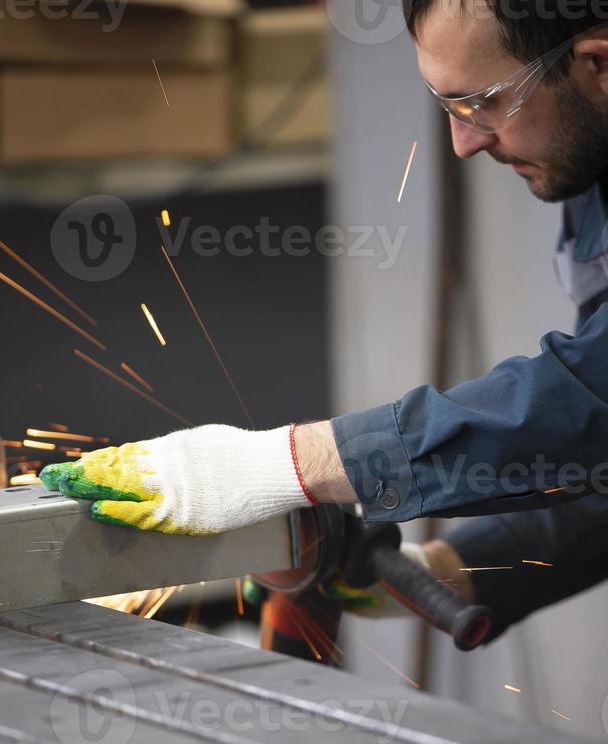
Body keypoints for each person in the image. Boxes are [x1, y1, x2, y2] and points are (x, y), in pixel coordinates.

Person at [41, 0, 608, 643]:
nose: (464, 141)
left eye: (482, 102)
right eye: (448, 106)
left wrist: (279, 465)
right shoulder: (586, 153)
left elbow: (592, 392)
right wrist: (442, 572)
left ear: (598, 65)